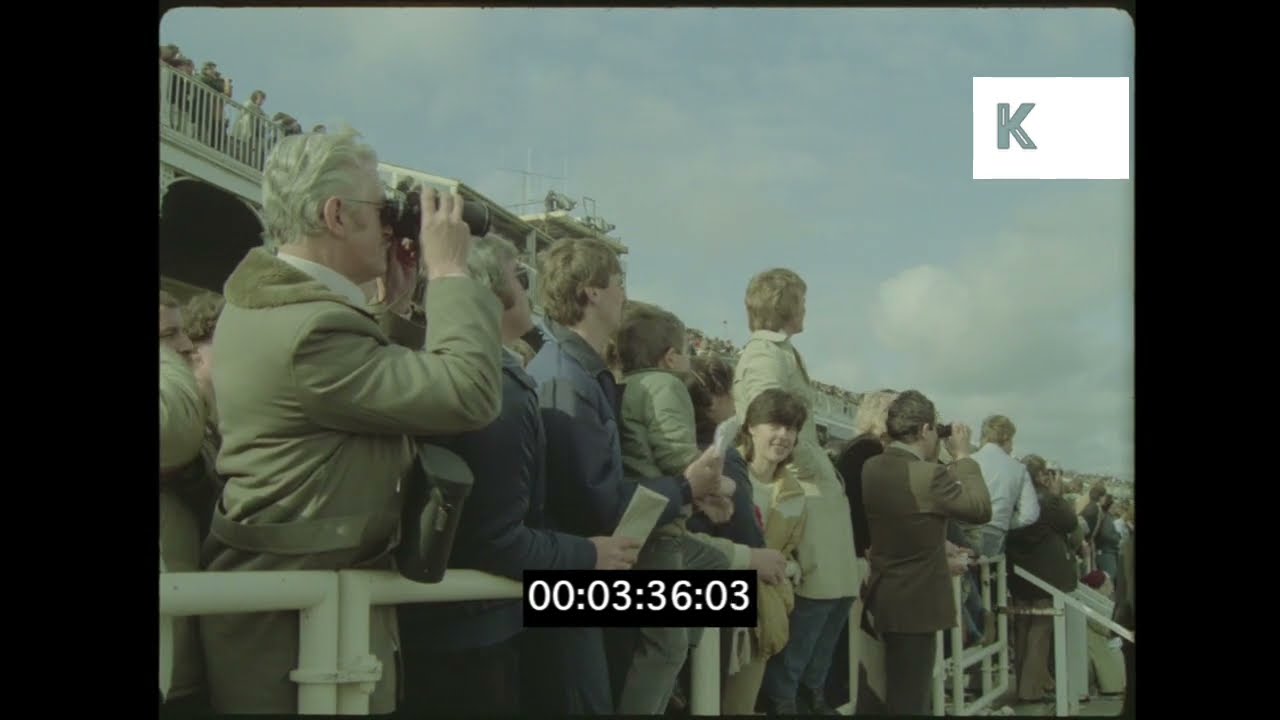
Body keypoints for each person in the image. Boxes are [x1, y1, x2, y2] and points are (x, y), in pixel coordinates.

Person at [199, 127, 505, 715]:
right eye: (380, 208)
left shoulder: (282, 308)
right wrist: (449, 275)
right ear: (337, 214)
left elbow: (361, 395)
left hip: (316, 613)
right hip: (293, 635)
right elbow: (467, 395)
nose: (393, 222)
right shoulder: (309, 331)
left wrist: (394, 302)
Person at [860, 390, 991, 715]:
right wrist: (962, 456)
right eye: (934, 429)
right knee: (911, 699)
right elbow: (979, 508)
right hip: (917, 603)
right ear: (924, 430)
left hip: (885, 594)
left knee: (892, 692)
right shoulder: (929, 476)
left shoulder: (872, 467)